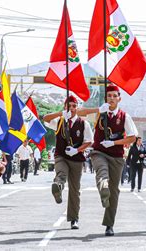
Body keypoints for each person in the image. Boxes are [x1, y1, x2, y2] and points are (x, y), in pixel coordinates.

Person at [77, 84, 138, 236]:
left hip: (116, 155)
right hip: (99, 152)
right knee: (101, 172)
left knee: (114, 191)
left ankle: (109, 224)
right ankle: (103, 187)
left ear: (119, 98)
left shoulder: (124, 116)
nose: (111, 99)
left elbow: (132, 137)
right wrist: (98, 109)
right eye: (109, 96)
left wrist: (114, 142)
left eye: (114, 96)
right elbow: (79, 112)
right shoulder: (100, 112)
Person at [44, 95, 93, 230]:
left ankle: (74, 218)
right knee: (60, 174)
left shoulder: (84, 124)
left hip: (76, 159)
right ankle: (57, 188)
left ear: (77, 108)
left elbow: (89, 141)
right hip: (61, 156)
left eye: (73, 106)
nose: (71, 108)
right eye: (68, 106)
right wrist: (61, 113)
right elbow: (45, 119)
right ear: (64, 107)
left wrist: (77, 150)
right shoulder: (59, 121)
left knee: (75, 189)